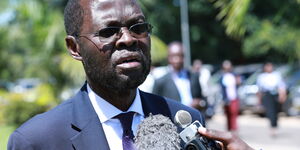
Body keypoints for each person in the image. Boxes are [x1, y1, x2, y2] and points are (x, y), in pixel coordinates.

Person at [7, 0, 254, 150]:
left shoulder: (185, 120)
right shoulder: (36, 141)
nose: (128, 39)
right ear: (74, 48)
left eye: (138, 27)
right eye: (108, 31)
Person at [152, 42, 204, 110]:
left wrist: (199, 103)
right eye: (173, 56)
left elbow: (202, 100)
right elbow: (154, 105)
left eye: (180, 55)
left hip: (193, 117)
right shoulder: (160, 82)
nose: (177, 59)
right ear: (168, 57)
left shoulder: (194, 77)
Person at [256, 62, 286, 137]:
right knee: (270, 112)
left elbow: (281, 86)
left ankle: (275, 125)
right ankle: (272, 128)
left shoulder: (276, 75)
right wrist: (259, 100)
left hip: (275, 94)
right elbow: (260, 90)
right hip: (267, 95)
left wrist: (282, 95)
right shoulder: (261, 76)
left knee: (275, 112)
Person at [220, 60, 240, 131]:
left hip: (234, 98)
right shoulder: (222, 76)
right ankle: (229, 130)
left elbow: (239, 84)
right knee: (228, 115)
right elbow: (222, 89)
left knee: (234, 114)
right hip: (226, 99)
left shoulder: (234, 75)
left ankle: (234, 129)